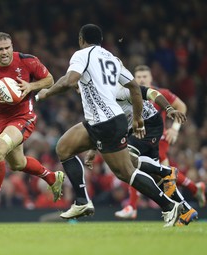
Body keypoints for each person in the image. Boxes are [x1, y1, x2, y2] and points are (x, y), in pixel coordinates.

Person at [36, 24, 182, 227]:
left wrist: (46, 93)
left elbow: (69, 81)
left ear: (81, 39)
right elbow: (133, 87)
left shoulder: (82, 54)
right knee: (64, 147)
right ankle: (82, 201)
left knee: (125, 171)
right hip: (102, 121)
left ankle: (169, 206)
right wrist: (138, 117)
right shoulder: (111, 58)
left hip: (106, 123)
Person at [0, 32, 64, 220]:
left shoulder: (27, 61)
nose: (4, 52)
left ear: (12, 47)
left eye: (7, 48)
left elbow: (50, 80)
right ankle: (52, 177)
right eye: (0, 49)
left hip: (23, 116)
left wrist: (30, 86)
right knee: (17, 163)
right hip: (1, 121)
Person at [82, 84, 197, 226]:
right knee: (156, 178)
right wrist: (93, 150)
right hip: (136, 128)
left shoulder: (115, 88)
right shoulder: (95, 98)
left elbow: (152, 93)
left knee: (128, 158)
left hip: (148, 124)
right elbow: (99, 127)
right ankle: (186, 209)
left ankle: (168, 171)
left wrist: (168, 109)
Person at [115, 65, 205, 220]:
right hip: (139, 135)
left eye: (145, 76)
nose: (142, 79)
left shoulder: (160, 93)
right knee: (157, 175)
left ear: (151, 78)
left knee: (134, 162)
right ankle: (189, 200)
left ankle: (132, 206)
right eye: (139, 77)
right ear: (134, 78)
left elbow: (181, 106)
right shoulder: (130, 92)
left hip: (157, 136)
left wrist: (175, 129)